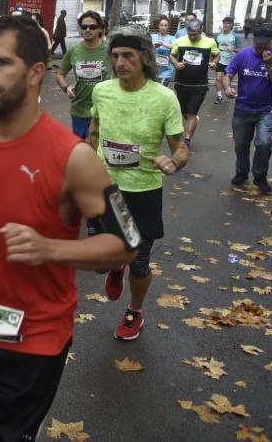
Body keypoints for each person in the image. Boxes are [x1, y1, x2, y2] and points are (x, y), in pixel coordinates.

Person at [0, 16, 138, 441]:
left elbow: (126, 244)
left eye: (1, 63)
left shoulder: (74, 157)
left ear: (36, 73)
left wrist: (51, 248)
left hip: (36, 335)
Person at [89, 25, 188, 341]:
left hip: (143, 190)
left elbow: (180, 148)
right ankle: (117, 264)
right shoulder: (102, 91)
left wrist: (174, 162)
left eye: (128, 56)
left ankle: (135, 310)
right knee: (103, 259)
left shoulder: (163, 98)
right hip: (106, 188)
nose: (120, 62)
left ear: (145, 57)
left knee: (140, 263)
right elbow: (93, 131)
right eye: (115, 55)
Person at [223, 26, 272, 195]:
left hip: (267, 109)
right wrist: (228, 87)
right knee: (241, 144)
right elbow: (227, 74)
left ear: (270, 43)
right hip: (243, 108)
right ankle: (242, 172)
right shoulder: (243, 55)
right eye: (258, 45)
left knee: (263, 143)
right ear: (253, 42)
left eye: (265, 45)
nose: (261, 49)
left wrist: (270, 65)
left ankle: (260, 176)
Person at [56, 11, 109, 140]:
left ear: (99, 29)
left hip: (104, 109)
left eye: (92, 27)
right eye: (84, 27)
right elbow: (60, 74)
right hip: (79, 110)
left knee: (98, 150)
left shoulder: (109, 51)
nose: (88, 29)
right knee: (80, 149)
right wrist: (66, 87)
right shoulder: (74, 51)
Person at [169, 19, 219, 150]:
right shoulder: (180, 41)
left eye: (195, 34)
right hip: (181, 82)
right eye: (190, 34)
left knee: (191, 112)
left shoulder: (210, 42)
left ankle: (187, 139)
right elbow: (172, 55)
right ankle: (192, 119)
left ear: (200, 31)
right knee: (184, 111)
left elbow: (216, 55)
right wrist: (176, 63)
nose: (192, 37)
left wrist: (214, 63)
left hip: (200, 84)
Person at [214, 16, 241, 103]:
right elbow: (215, 48)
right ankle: (219, 96)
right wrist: (214, 59)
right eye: (224, 23)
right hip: (220, 60)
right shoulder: (218, 36)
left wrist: (232, 49)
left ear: (231, 25)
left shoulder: (235, 36)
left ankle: (228, 91)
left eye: (228, 23)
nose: (226, 25)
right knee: (218, 78)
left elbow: (240, 49)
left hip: (230, 61)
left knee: (227, 79)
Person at [151, 15, 176, 86]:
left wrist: (163, 44)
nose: (163, 27)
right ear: (158, 26)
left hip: (167, 69)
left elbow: (175, 47)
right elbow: (147, 48)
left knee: (162, 88)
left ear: (168, 27)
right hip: (153, 69)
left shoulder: (172, 38)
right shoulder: (153, 37)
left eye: (165, 25)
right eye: (161, 25)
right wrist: (154, 46)